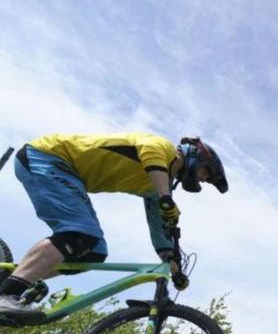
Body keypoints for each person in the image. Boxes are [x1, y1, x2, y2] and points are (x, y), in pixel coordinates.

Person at [0, 133, 228, 321]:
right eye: (205, 173)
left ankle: (10, 280)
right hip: (47, 158)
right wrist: (165, 198)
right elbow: (151, 158)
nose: (201, 179)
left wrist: (174, 267)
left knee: (95, 252)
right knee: (79, 234)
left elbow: (159, 235)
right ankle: (7, 294)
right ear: (196, 157)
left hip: (68, 175)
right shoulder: (161, 148)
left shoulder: (158, 186)